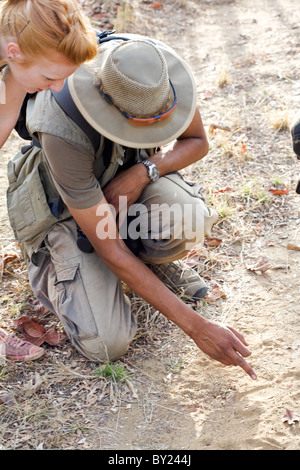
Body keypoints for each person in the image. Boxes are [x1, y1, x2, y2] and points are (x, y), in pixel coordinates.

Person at [5, 34, 257, 380]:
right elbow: (108, 246)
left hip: (124, 182)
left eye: (158, 119)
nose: (154, 128)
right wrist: (197, 327)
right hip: (64, 209)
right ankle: (56, 269)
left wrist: (144, 171)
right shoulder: (62, 122)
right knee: (108, 343)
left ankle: (144, 262)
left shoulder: (154, 71)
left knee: (191, 219)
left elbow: (197, 141)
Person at [0, 0, 98, 361]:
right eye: (50, 77)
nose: (58, 88)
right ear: (14, 52)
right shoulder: (16, 61)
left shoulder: (13, 69)